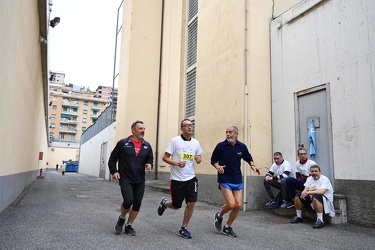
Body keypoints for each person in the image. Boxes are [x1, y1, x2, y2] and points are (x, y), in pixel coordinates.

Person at [211, 125, 260, 237]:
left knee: (238, 205)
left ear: (236, 134)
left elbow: (248, 157)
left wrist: (253, 166)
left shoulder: (241, 147)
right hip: (224, 178)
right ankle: (219, 215)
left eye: (230, 132)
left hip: (237, 178)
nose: (228, 134)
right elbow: (213, 160)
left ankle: (228, 227)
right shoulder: (220, 146)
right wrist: (217, 166)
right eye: (227, 132)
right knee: (231, 204)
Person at [157, 119, 203, 239]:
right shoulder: (174, 141)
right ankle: (164, 203)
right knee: (177, 205)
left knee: (191, 202)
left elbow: (199, 156)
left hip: (191, 178)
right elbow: (165, 158)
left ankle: (184, 228)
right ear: (181, 128)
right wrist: (176, 163)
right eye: (186, 125)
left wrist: (199, 159)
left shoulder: (195, 142)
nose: (189, 127)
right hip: (177, 179)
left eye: (191, 125)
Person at [108, 120, 153, 236]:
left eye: (143, 129)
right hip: (126, 178)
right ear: (133, 130)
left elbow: (149, 158)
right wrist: (114, 171)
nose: (143, 131)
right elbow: (112, 159)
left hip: (140, 179)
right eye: (140, 129)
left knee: (137, 203)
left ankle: (129, 225)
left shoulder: (147, 145)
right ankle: (122, 218)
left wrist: (149, 164)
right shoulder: (123, 143)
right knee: (128, 201)